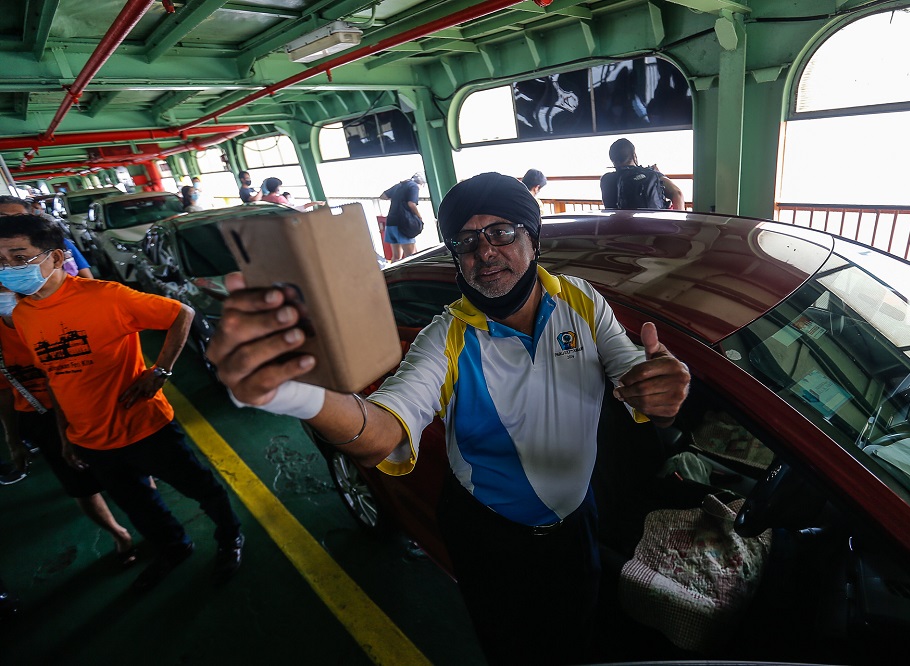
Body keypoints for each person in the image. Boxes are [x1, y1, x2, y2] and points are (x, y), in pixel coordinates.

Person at [206, 172, 690, 665]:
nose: (485, 252)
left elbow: (634, 370)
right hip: (491, 535)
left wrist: (664, 386)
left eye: (501, 232)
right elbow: (383, 430)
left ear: (532, 238)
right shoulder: (445, 339)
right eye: (466, 241)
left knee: (579, 624)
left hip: (577, 514)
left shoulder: (580, 300)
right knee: (512, 648)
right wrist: (298, 393)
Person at [0, 214, 245, 591]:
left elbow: (182, 313)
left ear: (56, 257)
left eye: (19, 258)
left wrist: (160, 371)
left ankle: (230, 536)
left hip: (145, 427)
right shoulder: (22, 315)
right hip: (91, 440)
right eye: (0, 261)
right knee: (138, 505)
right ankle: (174, 547)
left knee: (201, 488)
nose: (8, 269)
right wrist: (66, 435)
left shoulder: (106, 296)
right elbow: (54, 376)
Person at [0, 286, 137, 566]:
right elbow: (3, 392)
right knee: (80, 486)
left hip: (86, 401)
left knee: (129, 468)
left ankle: (153, 522)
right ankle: (120, 535)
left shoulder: (51, 315)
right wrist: (13, 441)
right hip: (41, 417)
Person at [0, 196, 92, 279]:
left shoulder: (57, 242)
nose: (11, 223)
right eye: (3, 218)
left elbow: (86, 279)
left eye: (19, 217)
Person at [600, 137, 685, 211]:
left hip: (619, 224)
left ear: (612, 160)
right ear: (634, 155)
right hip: (653, 224)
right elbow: (678, 194)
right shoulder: (651, 174)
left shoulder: (606, 180)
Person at [380, 172, 425, 262]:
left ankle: (395, 271)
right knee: (412, 257)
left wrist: (398, 198)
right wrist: (420, 217)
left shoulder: (399, 185)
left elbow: (383, 196)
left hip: (391, 223)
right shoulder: (414, 187)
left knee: (396, 257)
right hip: (403, 224)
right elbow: (411, 204)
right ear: (422, 184)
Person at [260, 178, 325, 211]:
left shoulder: (263, 199)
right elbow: (294, 209)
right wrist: (314, 203)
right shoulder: (279, 198)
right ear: (277, 187)